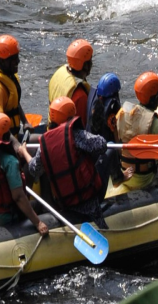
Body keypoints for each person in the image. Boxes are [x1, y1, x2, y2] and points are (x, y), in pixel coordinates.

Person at [27, 97, 113, 229]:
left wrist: (23, 152)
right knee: (110, 148)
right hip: (89, 200)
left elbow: (34, 169)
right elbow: (102, 145)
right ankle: (119, 178)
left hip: (65, 203)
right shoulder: (77, 135)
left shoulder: (44, 144)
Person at [0, 112, 48, 235]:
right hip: (6, 217)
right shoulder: (10, 161)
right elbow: (18, 197)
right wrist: (38, 222)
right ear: (7, 136)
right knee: (39, 204)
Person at [48, 39, 93, 125]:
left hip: (51, 130)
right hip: (66, 137)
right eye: (90, 60)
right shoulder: (80, 96)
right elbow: (81, 128)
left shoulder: (59, 73)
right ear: (85, 65)